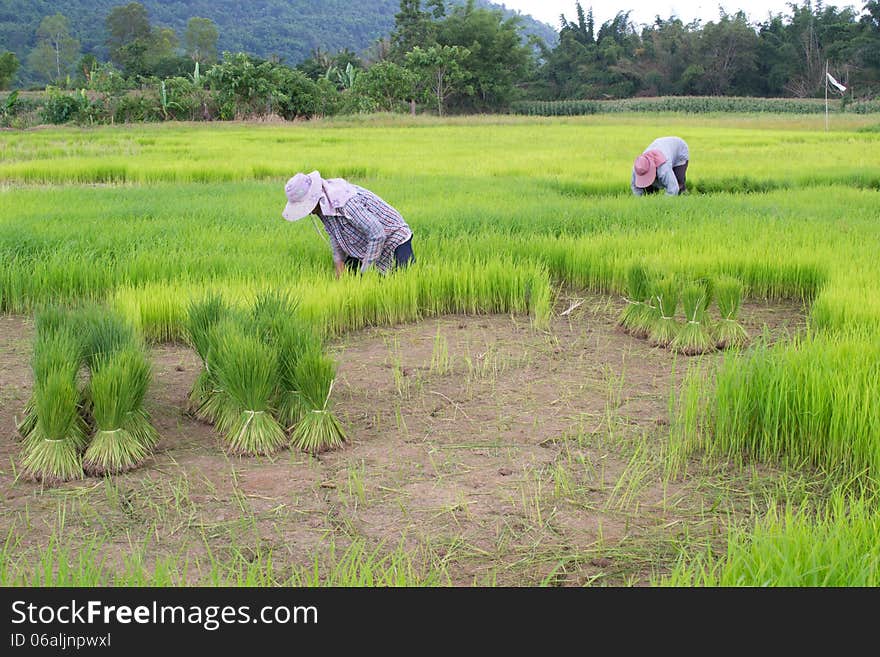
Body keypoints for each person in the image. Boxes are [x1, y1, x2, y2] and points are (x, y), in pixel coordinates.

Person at [281, 170, 414, 278]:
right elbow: (335, 235)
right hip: (364, 241)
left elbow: (377, 234)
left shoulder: (346, 202)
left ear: (315, 197)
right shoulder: (322, 207)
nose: (309, 212)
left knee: (406, 277)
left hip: (393, 236)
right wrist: (339, 263)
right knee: (351, 276)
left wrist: (365, 271)